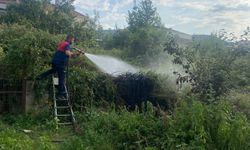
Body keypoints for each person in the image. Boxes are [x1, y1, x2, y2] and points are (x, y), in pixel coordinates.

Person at [36, 34, 81, 99]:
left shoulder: (62, 43)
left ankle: (39, 77)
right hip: (60, 63)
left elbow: (69, 54)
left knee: (52, 71)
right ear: (70, 38)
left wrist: (77, 54)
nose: (73, 41)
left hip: (54, 61)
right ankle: (60, 94)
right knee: (61, 78)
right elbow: (67, 53)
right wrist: (74, 54)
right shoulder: (67, 44)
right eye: (73, 40)